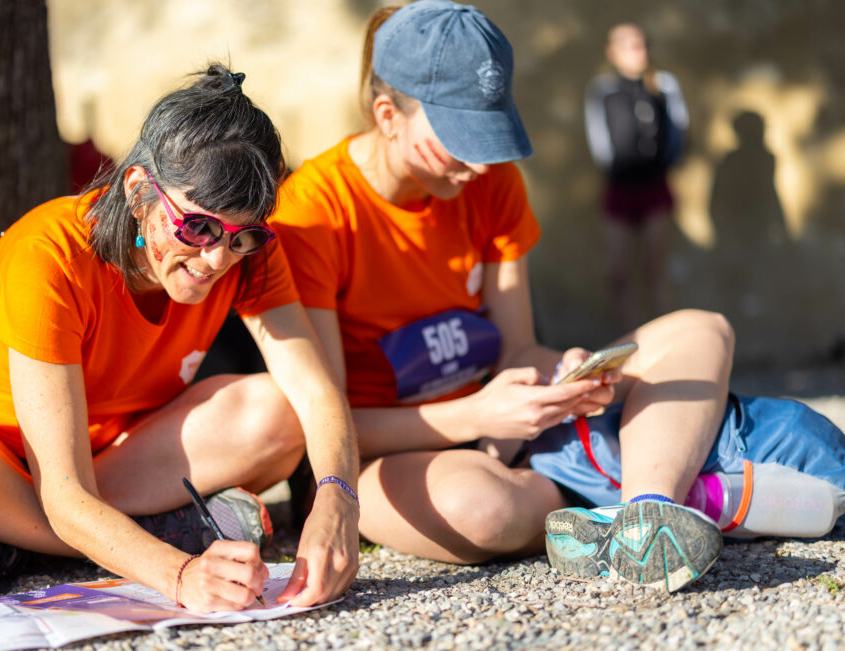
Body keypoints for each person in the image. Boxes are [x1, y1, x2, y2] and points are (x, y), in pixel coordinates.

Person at [0, 65, 360, 612]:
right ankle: (143, 533)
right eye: (197, 228)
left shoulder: (249, 257)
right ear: (138, 190)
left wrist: (337, 499)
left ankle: (7, 547)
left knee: (280, 409)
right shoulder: (51, 255)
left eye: (244, 235)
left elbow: (315, 392)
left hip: (103, 471)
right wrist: (178, 574)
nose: (217, 259)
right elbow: (63, 494)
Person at [270, 1, 732, 593]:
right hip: (387, 459)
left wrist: (560, 374)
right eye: (458, 141)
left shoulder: (491, 183)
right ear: (388, 115)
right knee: (481, 506)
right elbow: (328, 421)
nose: (478, 166)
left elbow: (517, 349)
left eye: (488, 138)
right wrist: (479, 414)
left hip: (507, 432)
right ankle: (637, 480)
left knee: (703, 330)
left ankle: (648, 516)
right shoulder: (313, 214)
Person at [584, 22, 688, 331]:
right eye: (628, 46)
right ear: (612, 53)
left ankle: (666, 342)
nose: (637, 52)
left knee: (654, 269)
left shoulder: (665, 85)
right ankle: (633, 346)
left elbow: (678, 133)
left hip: (655, 187)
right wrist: (617, 170)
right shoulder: (602, 90)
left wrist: (662, 168)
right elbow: (599, 139)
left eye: (641, 44)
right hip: (619, 189)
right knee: (618, 274)